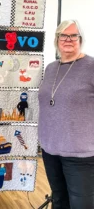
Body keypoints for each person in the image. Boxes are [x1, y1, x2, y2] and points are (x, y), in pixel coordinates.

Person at [38, 20, 94, 209]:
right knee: (59, 200)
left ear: (80, 39)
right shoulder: (51, 68)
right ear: (57, 39)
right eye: (63, 35)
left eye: (73, 35)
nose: (68, 39)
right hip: (50, 149)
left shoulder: (91, 67)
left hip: (80, 153)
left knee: (82, 204)